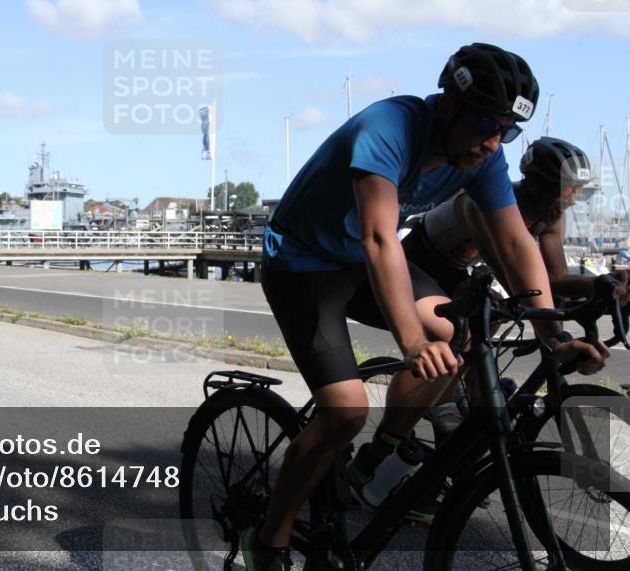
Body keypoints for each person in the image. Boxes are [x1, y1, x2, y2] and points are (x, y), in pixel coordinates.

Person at [247, 43, 610, 571]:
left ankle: (376, 460)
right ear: (448, 105)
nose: (492, 143)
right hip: (304, 267)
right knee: (345, 411)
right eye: (486, 124)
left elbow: (514, 244)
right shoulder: (389, 127)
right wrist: (411, 342)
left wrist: (553, 337)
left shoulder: (482, 155)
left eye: (505, 132)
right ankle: (269, 539)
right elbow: (379, 238)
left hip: (361, 261)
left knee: (458, 336)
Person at [403, 136, 630, 306]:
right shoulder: (485, 205)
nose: (571, 201)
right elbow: (515, 282)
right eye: (566, 191)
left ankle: (469, 370)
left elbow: (556, 281)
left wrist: (606, 283)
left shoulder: (549, 215)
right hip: (417, 259)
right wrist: (590, 285)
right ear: (533, 186)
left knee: (488, 318)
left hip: (456, 269)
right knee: (445, 339)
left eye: (578, 192)